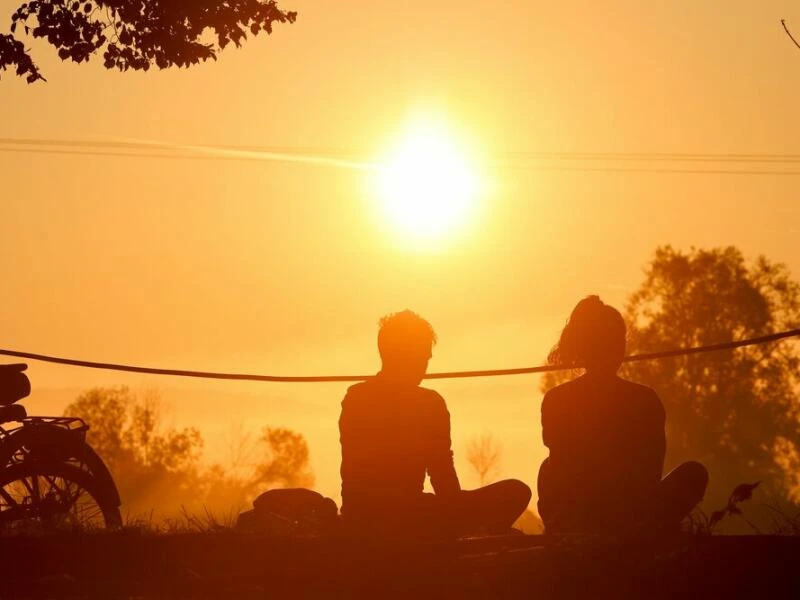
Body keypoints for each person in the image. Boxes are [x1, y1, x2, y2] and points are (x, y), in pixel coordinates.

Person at [339, 310, 531, 536]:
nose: (425, 365)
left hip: (360, 515)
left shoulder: (355, 398)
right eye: (424, 357)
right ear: (409, 356)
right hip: (410, 516)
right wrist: (458, 511)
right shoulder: (428, 403)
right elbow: (442, 476)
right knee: (516, 491)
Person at [537, 296, 708, 534]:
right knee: (693, 474)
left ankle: (577, 530)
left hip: (591, 513)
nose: (619, 347)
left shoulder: (557, 399)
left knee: (547, 469)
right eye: (613, 341)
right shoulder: (644, 399)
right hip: (626, 513)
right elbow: (652, 469)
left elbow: (561, 465)